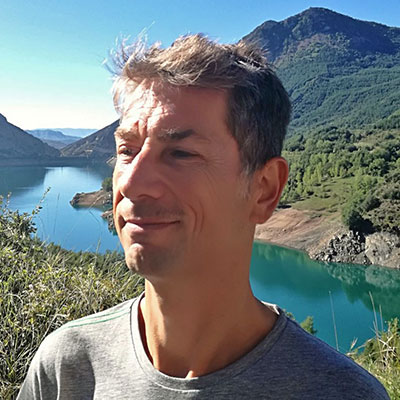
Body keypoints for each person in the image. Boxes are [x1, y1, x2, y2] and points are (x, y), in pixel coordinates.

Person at [17, 34, 389, 399]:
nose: (131, 183)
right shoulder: (67, 367)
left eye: (181, 153)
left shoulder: (340, 393)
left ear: (264, 189)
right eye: (127, 150)